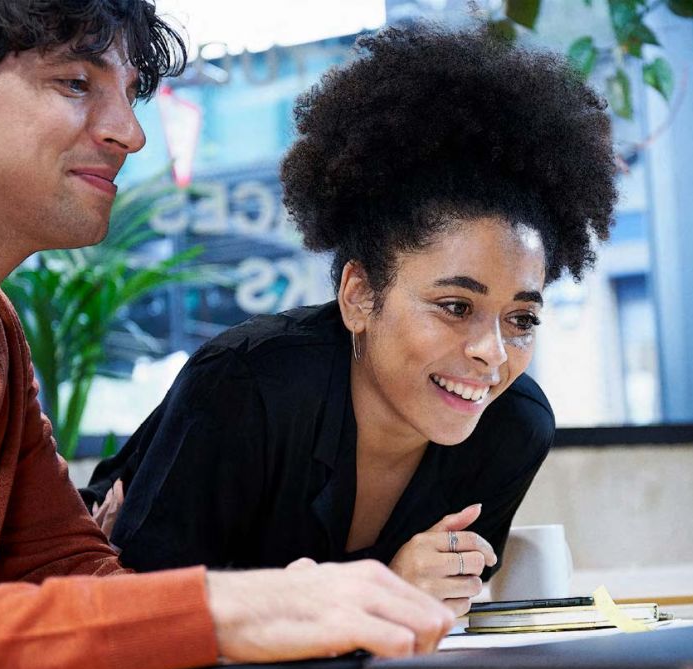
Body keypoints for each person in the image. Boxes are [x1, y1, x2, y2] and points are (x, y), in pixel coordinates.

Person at [0, 0, 456, 669]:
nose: (130, 134)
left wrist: (289, 603)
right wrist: (223, 611)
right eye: (75, 83)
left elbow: (65, 567)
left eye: (130, 96)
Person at [83, 25, 617, 609]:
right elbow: (144, 620)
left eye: (520, 319)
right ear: (359, 296)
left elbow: (439, 621)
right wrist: (384, 591)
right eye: (456, 307)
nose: (492, 351)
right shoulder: (248, 385)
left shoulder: (512, 427)